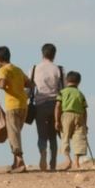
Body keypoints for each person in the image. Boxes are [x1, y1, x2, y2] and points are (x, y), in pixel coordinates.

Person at [0, 47, 31, 173]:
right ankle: (16, 163)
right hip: (23, 105)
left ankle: (20, 161)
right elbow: (30, 83)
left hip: (12, 105)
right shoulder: (17, 69)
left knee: (13, 134)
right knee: (15, 133)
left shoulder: (3, 70)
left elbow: (3, 84)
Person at [30, 43, 64, 172]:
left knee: (41, 134)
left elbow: (30, 88)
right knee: (53, 135)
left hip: (40, 105)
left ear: (42, 53)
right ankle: (53, 164)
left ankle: (42, 151)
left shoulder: (34, 68)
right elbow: (63, 89)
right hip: (55, 104)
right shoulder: (58, 69)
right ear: (54, 54)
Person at [55, 71, 88, 170]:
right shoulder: (80, 94)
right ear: (79, 82)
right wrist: (85, 124)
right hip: (79, 115)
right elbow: (85, 110)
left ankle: (68, 159)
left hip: (66, 115)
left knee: (65, 137)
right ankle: (77, 162)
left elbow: (57, 106)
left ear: (66, 80)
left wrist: (56, 120)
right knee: (79, 137)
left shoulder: (62, 92)